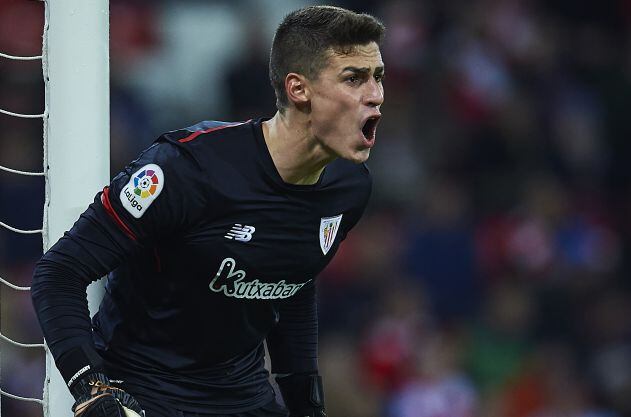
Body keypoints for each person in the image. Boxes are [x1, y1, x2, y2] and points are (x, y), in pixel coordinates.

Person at [31, 5, 385, 417]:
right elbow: (58, 273)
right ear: (298, 89)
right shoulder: (187, 169)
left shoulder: (349, 188)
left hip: (244, 399)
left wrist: (306, 407)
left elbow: (291, 282)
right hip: (145, 396)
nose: (375, 95)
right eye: (354, 78)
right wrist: (92, 389)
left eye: (378, 77)